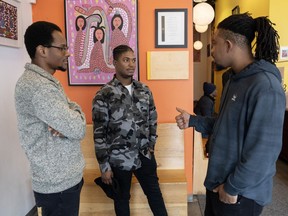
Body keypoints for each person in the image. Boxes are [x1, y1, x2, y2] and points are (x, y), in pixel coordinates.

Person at [175, 13, 285, 216]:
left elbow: (264, 152)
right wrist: (193, 120)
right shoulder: (232, 80)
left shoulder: (265, 86)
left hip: (240, 193)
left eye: (214, 44)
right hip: (218, 182)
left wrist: (233, 187)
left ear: (228, 45)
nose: (212, 52)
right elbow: (225, 123)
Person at [14, 21, 86, 216]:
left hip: (61, 181)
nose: (68, 53)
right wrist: (73, 118)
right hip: (57, 186)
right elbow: (79, 129)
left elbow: (73, 119)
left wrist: (73, 111)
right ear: (42, 50)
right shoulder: (39, 88)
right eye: (62, 48)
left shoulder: (44, 81)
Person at [92, 45, 168, 216]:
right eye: (126, 60)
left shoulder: (144, 90)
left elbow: (152, 119)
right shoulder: (104, 94)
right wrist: (104, 166)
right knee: (121, 199)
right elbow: (99, 133)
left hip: (144, 154)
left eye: (133, 60)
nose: (131, 64)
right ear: (115, 63)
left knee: (155, 195)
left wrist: (151, 145)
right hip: (118, 159)